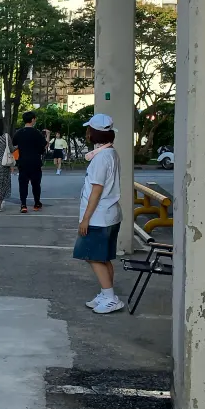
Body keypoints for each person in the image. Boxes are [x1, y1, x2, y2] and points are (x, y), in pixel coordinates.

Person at [75, 113, 124, 314]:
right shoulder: (110, 153)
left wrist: (85, 218)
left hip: (99, 217)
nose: (86, 132)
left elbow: (96, 190)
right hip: (110, 214)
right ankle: (106, 294)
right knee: (102, 257)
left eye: (89, 129)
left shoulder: (101, 158)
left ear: (93, 133)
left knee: (93, 256)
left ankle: (110, 297)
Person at [12, 111, 47, 213]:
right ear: (32, 120)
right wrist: (47, 136)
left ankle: (23, 205)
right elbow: (44, 145)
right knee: (36, 183)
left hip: (23, 161)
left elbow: (14, 144)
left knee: (23, 183)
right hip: (35, 161)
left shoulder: (19, 133)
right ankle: (36, 203)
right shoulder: (37, 133)